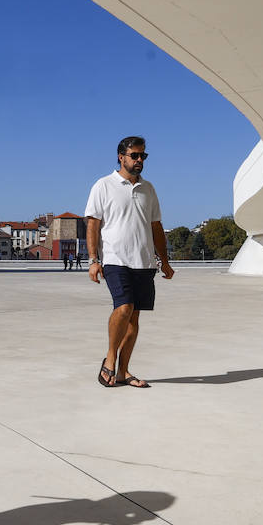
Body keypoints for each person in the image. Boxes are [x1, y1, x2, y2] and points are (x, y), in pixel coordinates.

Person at [84, 136, 174, 388]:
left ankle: (123, 372)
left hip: (144, 262)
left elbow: (156, 227)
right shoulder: (103, 185)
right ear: (120, 157)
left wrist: (164, 260)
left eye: (143, 156)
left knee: (134, 320)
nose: (139, 160)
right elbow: (93, 223)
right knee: (123, 308)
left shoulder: (148, 188)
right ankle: (110, 358)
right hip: (115, 259)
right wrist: (93, 259)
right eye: (134, 155)